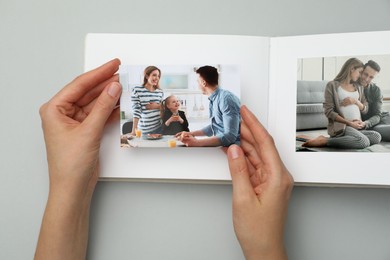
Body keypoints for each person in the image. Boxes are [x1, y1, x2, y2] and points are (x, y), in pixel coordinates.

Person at [35, 59, 293, 259]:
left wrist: (188, 133)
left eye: (197, 80)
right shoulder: (209, 100)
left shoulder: (218, 99)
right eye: (154, 75)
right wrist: (189, 133)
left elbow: (226, 135)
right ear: (147, 76)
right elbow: (212, 128)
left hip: (158, 132)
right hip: (145, 131)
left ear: (202, 81)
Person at [302, 58, 382, 149]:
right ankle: (325, 141)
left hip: (357, 125)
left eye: (371, 77)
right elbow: (329, 111)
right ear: (352, 69)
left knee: (377, 136)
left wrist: (355, 102)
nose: (362, 77)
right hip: (344, 126)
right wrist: (349, 122)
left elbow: (366, 108)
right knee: (363, 141)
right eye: (361, 72)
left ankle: (349, 138)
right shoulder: (332, 85)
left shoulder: (358, 87)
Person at [176, 65, 240, 147]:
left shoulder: (226, 99)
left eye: (197, 82)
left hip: (234, 147)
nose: (197, 85)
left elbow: (230, 136)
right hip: (224, 145)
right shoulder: (215, 98)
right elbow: (215, 126)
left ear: (203, 83)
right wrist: (191, 133)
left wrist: (197, 143)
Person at [359, 60, 390, 141]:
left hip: (382, 119)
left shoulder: (376, 90)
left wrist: (366, 123)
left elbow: (377, 115)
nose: (366, 79)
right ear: (361, 71)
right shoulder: (351, 86)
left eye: (371, 77)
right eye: (365, 74)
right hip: (368, 125)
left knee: (377, 131)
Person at [130, 66, 164, 136]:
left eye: (158, 76)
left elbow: (163, 108)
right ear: (147, 76)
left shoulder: (160, 92)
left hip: (159, 129)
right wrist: (134, 131)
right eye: (154, 75)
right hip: (143, 131)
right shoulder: (137, 90)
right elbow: (136, 110)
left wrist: (158, 106)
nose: (157, 78)